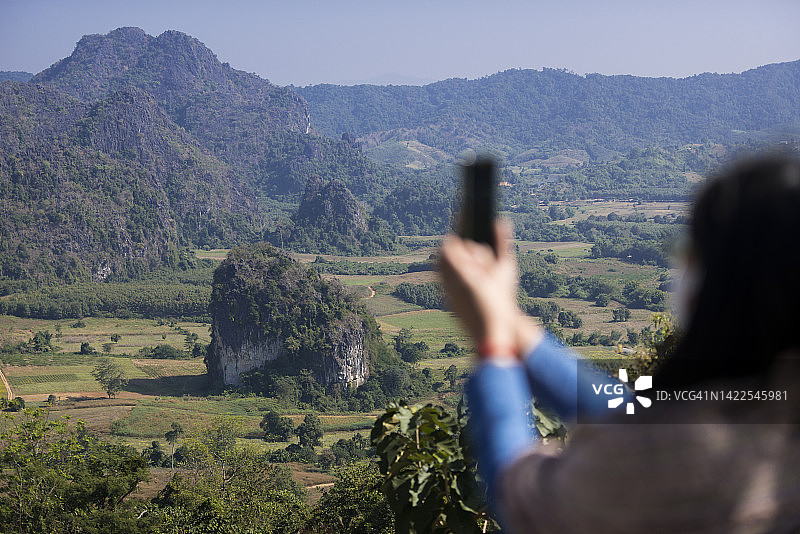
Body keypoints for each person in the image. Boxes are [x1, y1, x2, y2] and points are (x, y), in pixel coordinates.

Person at [438, 154, 800, 534]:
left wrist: (494, 345)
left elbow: (522, 495)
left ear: (725, 285)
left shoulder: (680, 464)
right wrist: (514, 325)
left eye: (690, 254)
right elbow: (636, 419)